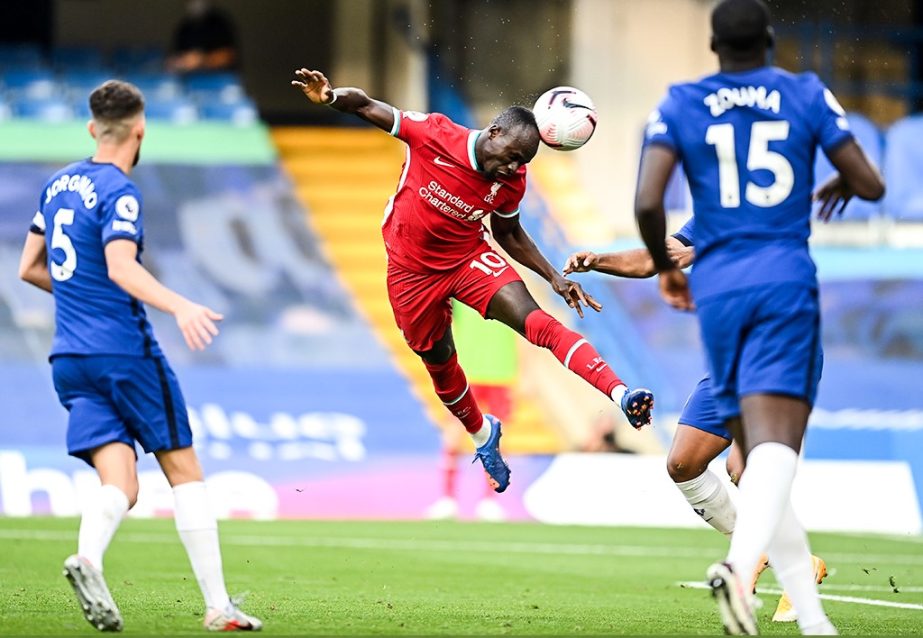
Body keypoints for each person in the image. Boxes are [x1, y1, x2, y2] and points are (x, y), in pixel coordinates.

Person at [634, 0, 885, 634]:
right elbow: (872, 183)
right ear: (771, 40)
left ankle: (800, 608)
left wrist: (667, 271)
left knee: (752, 462)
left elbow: (647, 200)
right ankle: (741, 570)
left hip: (720, 296)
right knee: (767, 453)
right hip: (783, 285)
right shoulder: (802, 92)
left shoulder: (680, 102)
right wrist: (844, 183)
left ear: (713, 46)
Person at [291, 67, 654, 494]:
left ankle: (621, 393)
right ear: (494, 131)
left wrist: (554, 277)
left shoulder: (512, 181)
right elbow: (368, 104)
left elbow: (509, 234)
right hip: (410, 272)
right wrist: (330, 97)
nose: (513, 167)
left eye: (522, 163)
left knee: (537, 323)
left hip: (467, 259)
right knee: (438, 360)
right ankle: (483, 436)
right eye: (511, 155)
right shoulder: (434, 133)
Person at [17, 80, 261, 632]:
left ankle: (87, 559)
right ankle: (219, 606)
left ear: (91, 127)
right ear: (141, 128)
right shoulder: (120, 190)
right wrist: (181, 306)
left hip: (69, 360)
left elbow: (29, 268)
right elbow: (122, 267)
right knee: (185, 472)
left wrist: (83, 293)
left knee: (121, 485)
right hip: (124, 351)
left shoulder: (57, 185)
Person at [563, 215, 828, 623]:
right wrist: (598, 260)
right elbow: (654, 259)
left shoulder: (772, 202)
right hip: (730, 360)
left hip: (781, 348)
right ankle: (769, 553)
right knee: (682, 464)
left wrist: (697, 252)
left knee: (743, 468)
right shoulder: (710, 213)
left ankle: (786, 573)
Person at [426, 300, 517, 522]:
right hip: (465, 372)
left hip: (502, 373)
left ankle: (489, 501)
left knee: (497, 441)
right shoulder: (456, 288)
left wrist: (529, 372)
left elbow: (523, 327)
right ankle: (447, 498)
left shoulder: (507, 284)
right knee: (453, 435)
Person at [166, 0, 239, 74]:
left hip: (218, 78)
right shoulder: (185, 27)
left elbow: (228, 56)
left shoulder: (220, 24)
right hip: (191, 80)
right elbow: (174, 57)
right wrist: (179, 62)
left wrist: (201, 60)